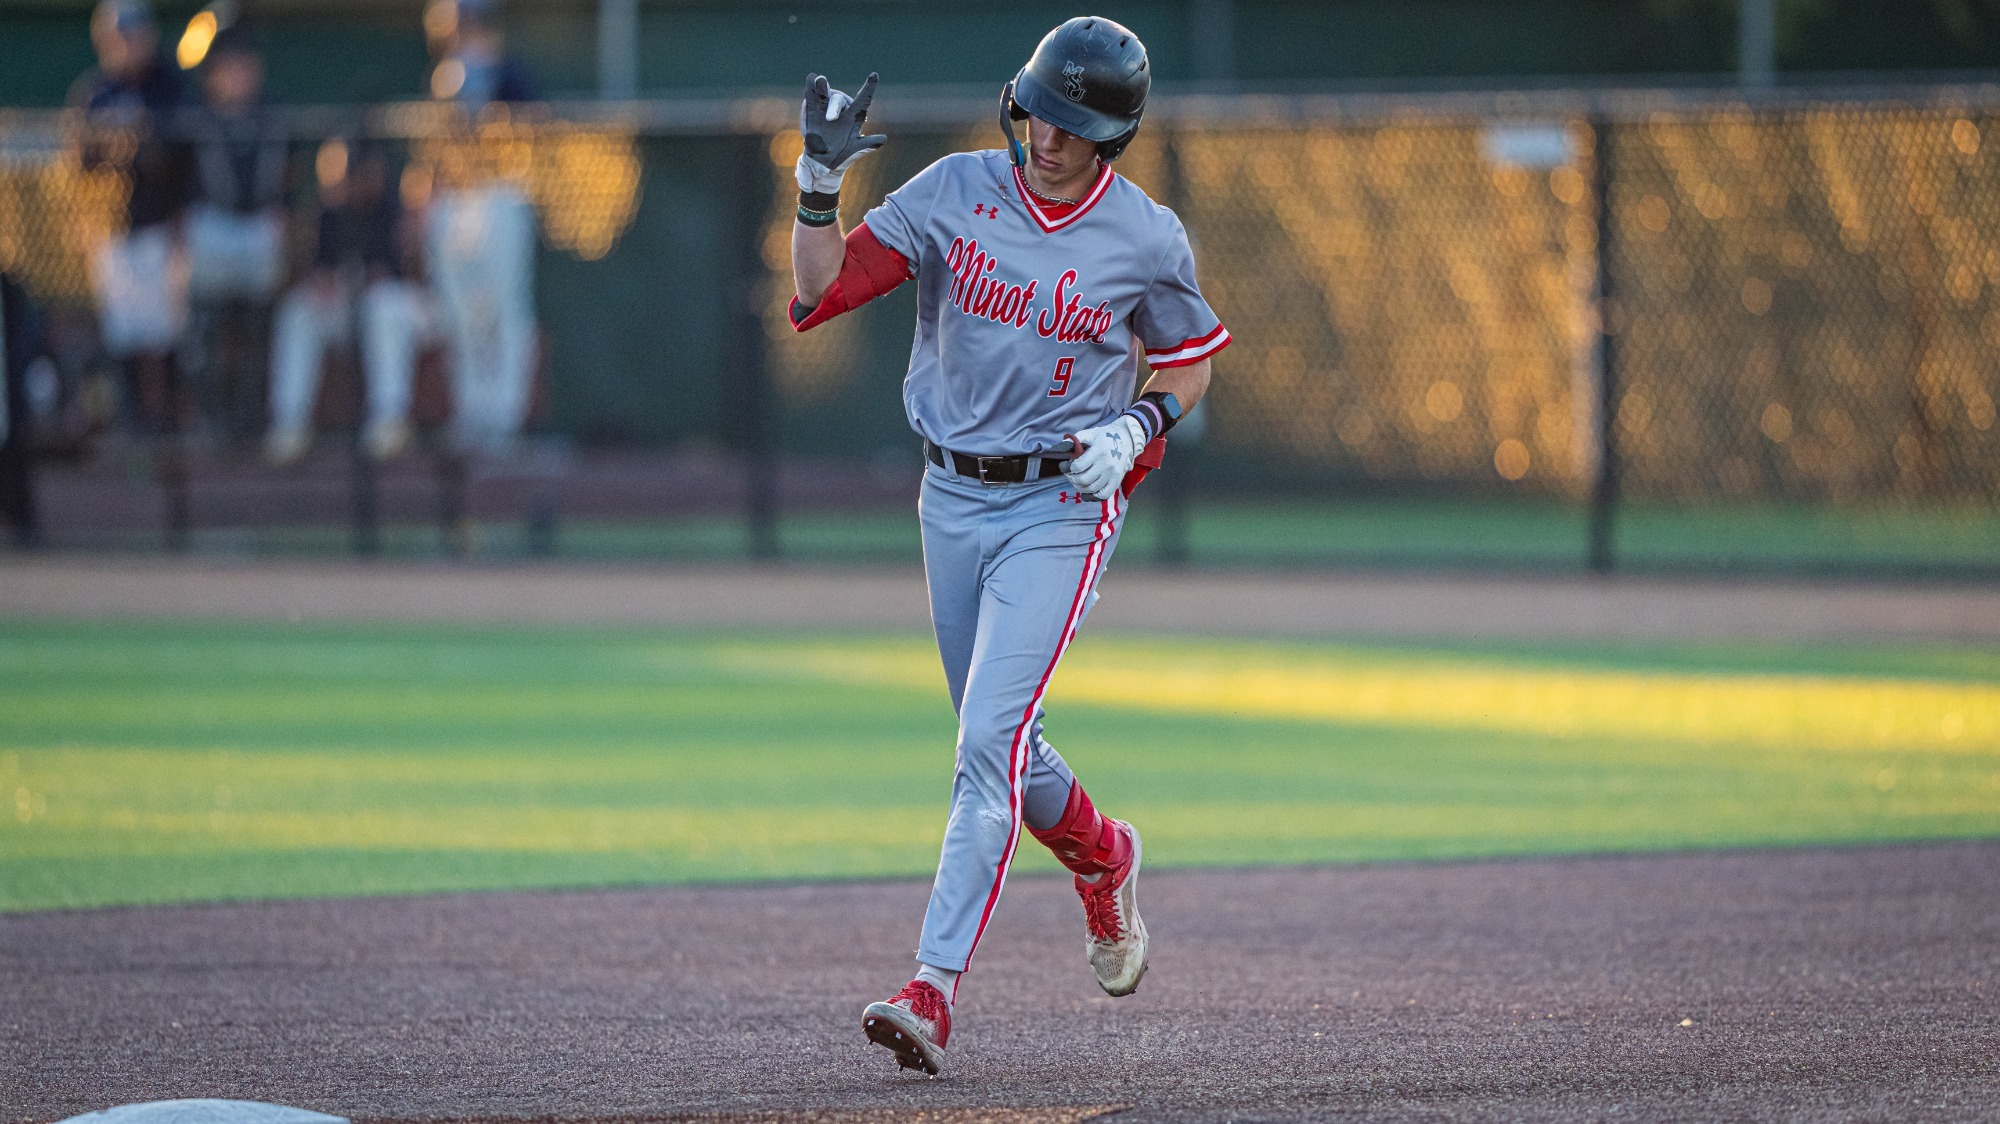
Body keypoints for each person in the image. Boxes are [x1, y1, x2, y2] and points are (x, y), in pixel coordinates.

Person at [787, 16, 1230, 1075]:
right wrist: (813, 180)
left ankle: (929, 990)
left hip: (1059, 505)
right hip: (948, 497)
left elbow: (1188, 364)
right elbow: (818, 285)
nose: (1047, 135)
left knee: (984, 741)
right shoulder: (951, 191)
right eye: (1038, 110)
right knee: (1006, 743)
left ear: (1111, 137)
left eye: (1074, 125)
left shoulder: (1145, 236)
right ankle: (1102, 852)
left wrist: (1141, 422)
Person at [266, 140, 435, 465]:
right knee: (298, 310)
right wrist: (321, 280)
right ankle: (289, 424)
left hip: (404, 313)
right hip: (349, 311)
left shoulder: (394, 211)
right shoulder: (328, 215)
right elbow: (315, 271)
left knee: (385, 305)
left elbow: (411, 275)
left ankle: (389, 420)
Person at [420, 0, 540, 456]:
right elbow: (433, 145)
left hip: (502, 195)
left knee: (505, 308)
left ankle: (506, 416)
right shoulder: (443, 76)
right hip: (454, 200)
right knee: (459, 312)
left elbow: (534, 129)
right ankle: (473, 413)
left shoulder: (511, 73)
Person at [70, 0, 191, 441]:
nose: (125, 45)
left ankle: (171, 426)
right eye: (117, 37)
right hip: (111, 231)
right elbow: (79, 165)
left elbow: (183, 162)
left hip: (163, 226)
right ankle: (133, 425)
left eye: (133, 35)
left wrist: (143, 141)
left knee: (167, 333)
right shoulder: (94, 93)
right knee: (122, 334)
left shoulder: (170, 88)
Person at [182, 14, 289, 445]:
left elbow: (289, 181)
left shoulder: (274, 113)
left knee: (257, 327)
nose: (237, 73)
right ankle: (211, 422)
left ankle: (248, 422)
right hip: (210, 226)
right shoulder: (194, 116)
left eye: (243, 64)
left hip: (260, 227)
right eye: (227, 65)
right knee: (204, 330)